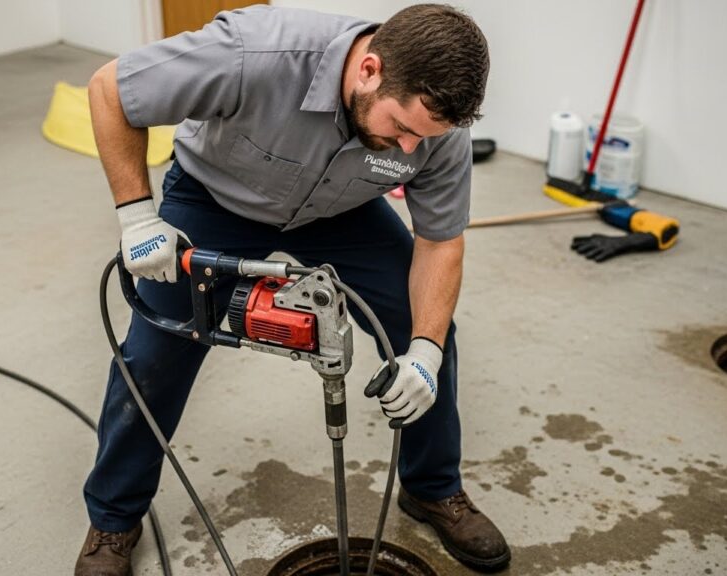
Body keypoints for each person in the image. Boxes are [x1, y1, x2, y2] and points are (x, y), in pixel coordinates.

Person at [76, 4, 509, 575]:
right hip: (215, 196)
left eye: (422, 139)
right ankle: (113, 519)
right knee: (157, 349)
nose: (409, 149)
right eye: (401, 128)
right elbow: (110, 89)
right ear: (370, 70)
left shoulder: (435, 131)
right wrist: (137, 217)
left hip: (342, 210)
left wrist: (424, 351)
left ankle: (432, 488)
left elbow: (440, 243)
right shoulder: (253, 53)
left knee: (424, 323)